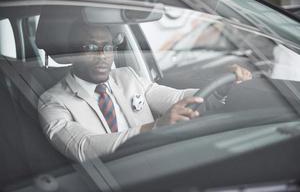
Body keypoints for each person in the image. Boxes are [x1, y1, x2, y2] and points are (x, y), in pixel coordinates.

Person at [38, 21, 252, 162]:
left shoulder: (127, 76)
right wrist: (154, 127)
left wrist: (220, 86)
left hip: (159, 162)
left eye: (108, 47)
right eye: (91, 48)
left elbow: (177, 99)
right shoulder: (53, 102)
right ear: (72, 52)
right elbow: (84, 147)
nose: (103, 56)